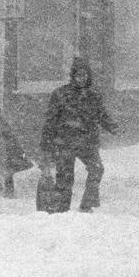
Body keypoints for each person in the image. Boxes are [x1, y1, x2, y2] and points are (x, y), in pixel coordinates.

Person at [39, 57, 118, 213]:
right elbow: (50, 121)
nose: (82, 79)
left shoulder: (94, 96)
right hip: (65, 143)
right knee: (65, 178)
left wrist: (112, 126)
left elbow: (101, 115)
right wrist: (46, 144)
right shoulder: (61, 94)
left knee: (96, 169)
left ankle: (87, 205)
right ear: (73, 75)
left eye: (85, 75)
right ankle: (62, 209)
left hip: (87, 142)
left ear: (89, 76)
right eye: (79, 75)